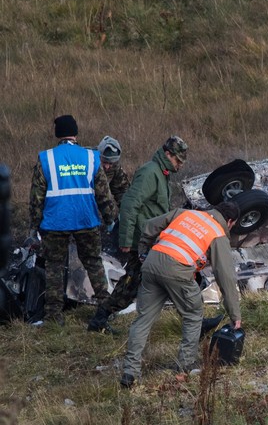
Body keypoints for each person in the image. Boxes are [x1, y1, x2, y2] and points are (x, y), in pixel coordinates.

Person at [119, 201, 242, 388]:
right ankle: (184, 366)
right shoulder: (218, 234)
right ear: (230, 221)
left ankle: (130, 372)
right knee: (193, 314)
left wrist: (144, 253)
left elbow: (149, 226)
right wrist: (235, 315)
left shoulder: (185, 213)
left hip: (152, 264)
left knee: (143, 319)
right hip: (177, 270)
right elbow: (225, 276)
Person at [87, 136, 188, 333]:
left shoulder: (161, 173)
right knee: (162, 278)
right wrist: (125, 240)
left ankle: (99, 319)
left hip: (151, 238)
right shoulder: (150, 173)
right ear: (168, 155)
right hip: (142, 240)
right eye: (178, 160)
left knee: (133, 283)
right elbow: (129, 204)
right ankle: (194, 321)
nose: (180, 165)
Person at [29, 115, 118, 326]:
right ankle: (105, 309)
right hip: (86, 219)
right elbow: (103, 194)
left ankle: (53, 316)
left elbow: (36, 198)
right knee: (93, 263)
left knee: (54, 267)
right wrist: (110, 218)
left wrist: (34, 227)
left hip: (54, 222)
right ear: (76, 134)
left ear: (57, 135)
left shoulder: (46, 158)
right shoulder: (91, 157)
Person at [95, 135, 129, 207]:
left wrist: (125, 210)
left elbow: (122, 190)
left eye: (110, 163)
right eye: (104, 162)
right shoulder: (86, 161)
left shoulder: (115, 167)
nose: (107, 167)